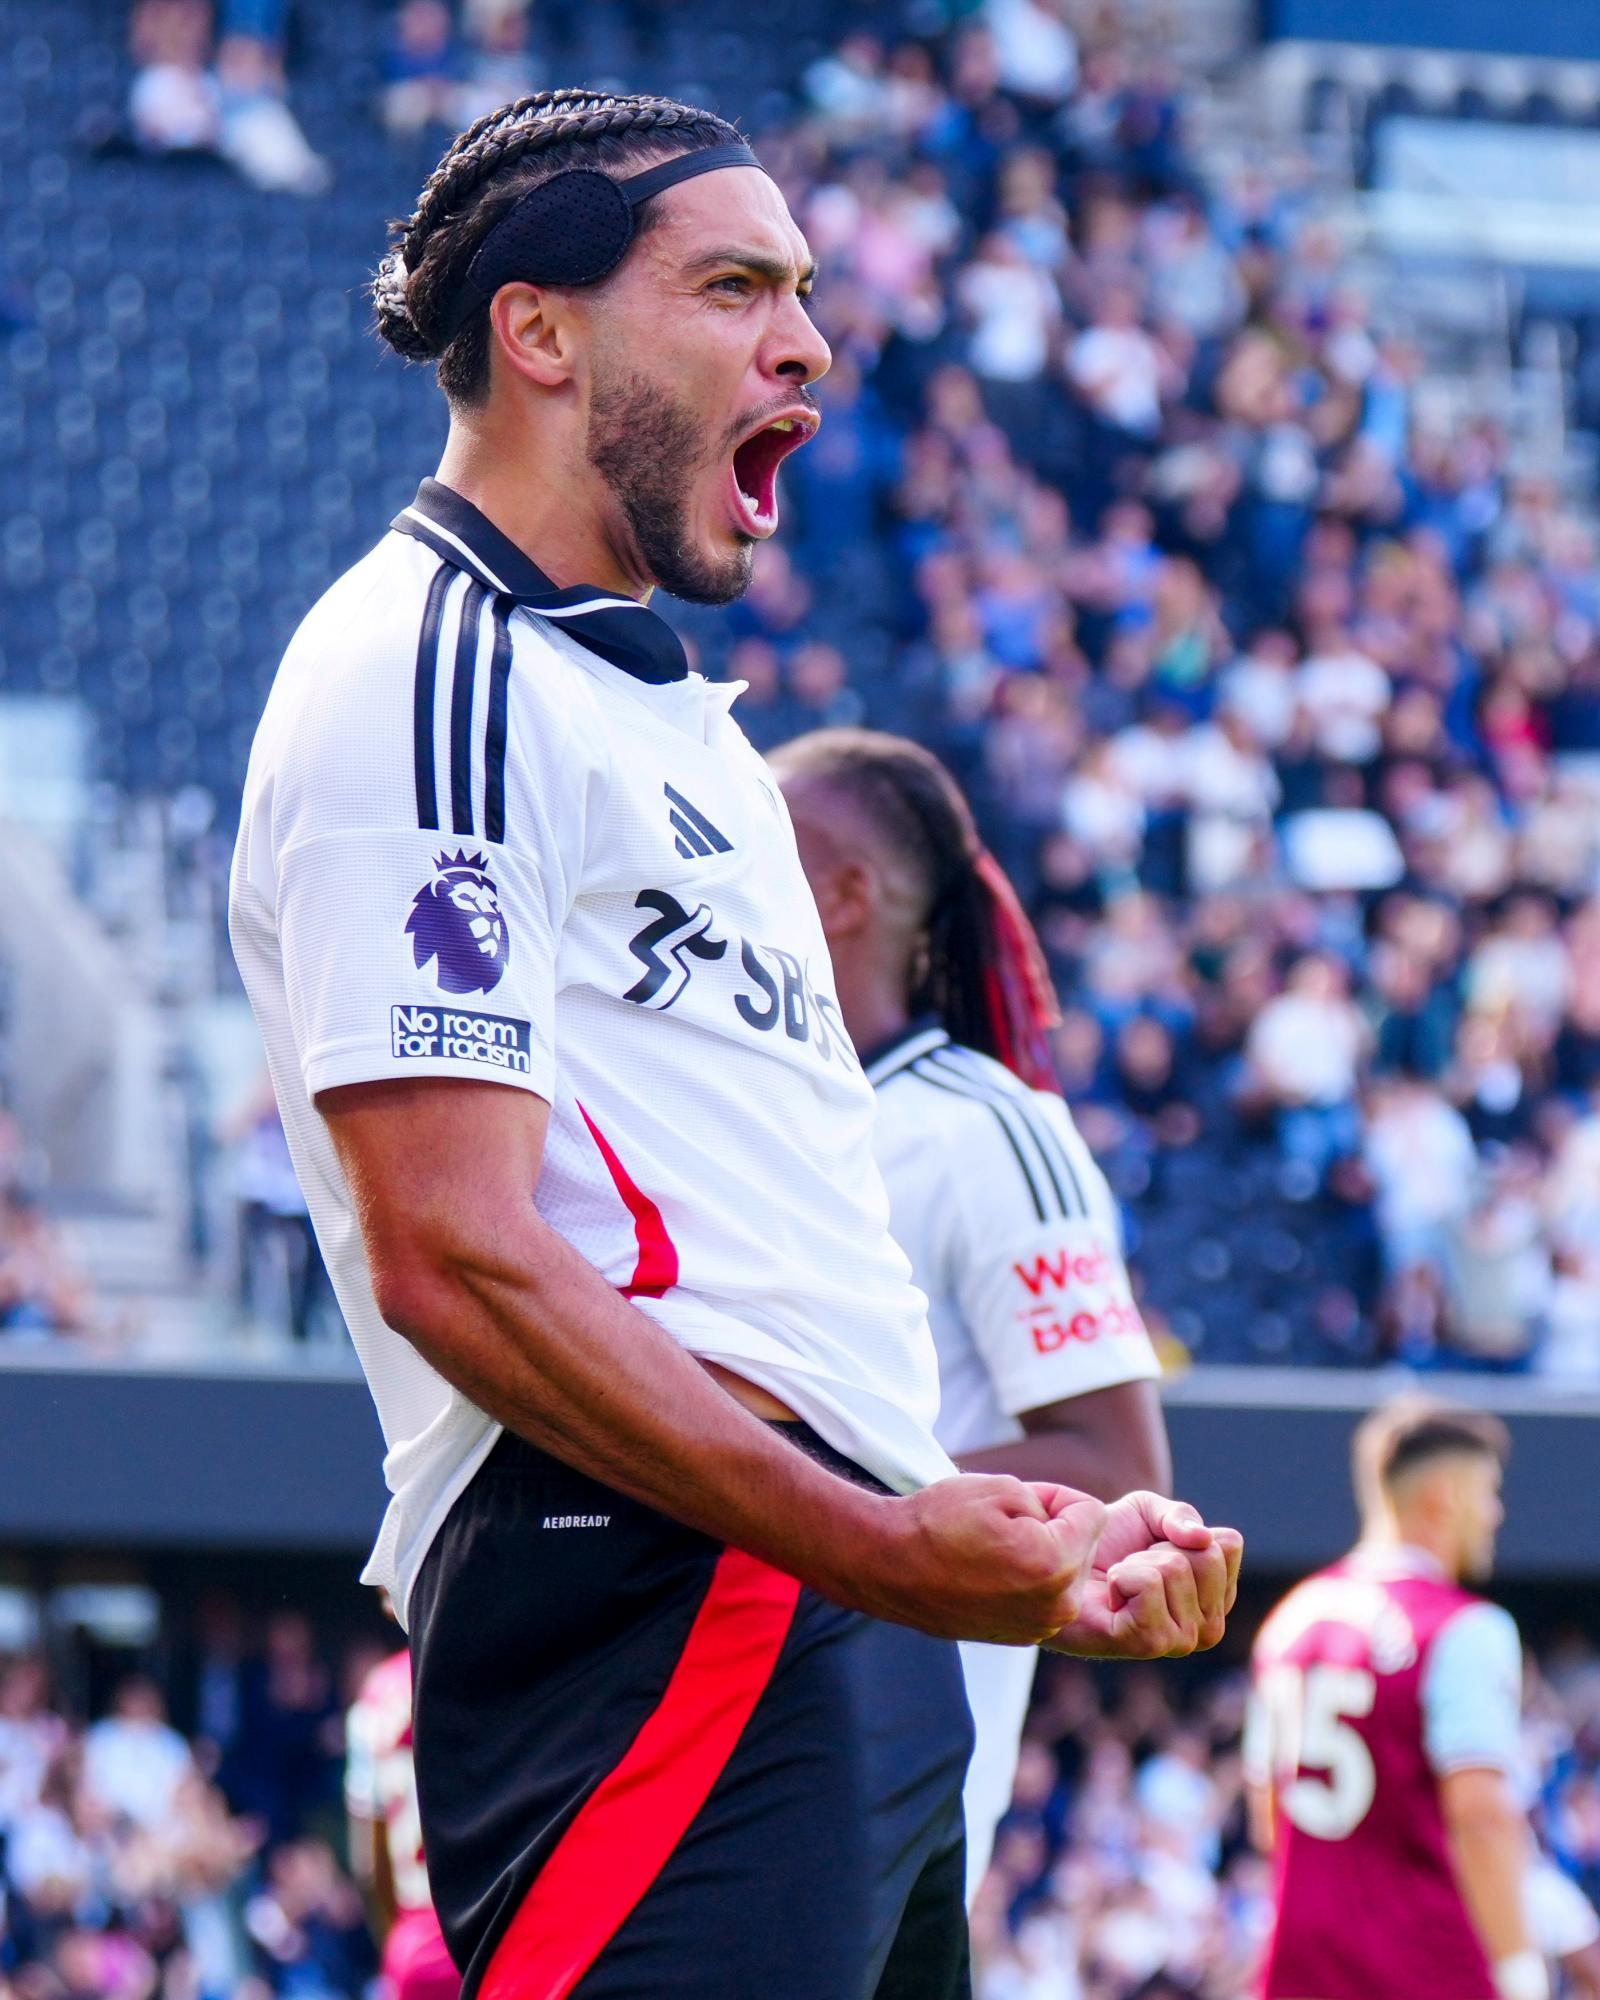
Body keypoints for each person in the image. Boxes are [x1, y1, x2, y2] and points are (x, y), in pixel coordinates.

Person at [229, 89, 1241, 1999]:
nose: (808, 344)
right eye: (734, 288)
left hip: (826, 1610)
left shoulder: (680, 723)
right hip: (659, 1585)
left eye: (804, 292)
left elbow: (775, 1267)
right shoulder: (431, 668)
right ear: (540, 332)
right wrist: (871, 1537)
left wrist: (982, 1520)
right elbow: (453, 1249)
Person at [774, 727, 1171, 1899]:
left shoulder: (984, 1127)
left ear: (844, 894)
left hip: (880, 1771)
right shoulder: (749, 1112)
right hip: (726, 1716)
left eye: (754, 836)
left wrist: (777, 1498)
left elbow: (1114, 1461)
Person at [1244, 1397, 1546, 2000]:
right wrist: (1519, 1970)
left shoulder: (1290, 1619)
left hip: (1299, 1970)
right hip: (1427, 1970)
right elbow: (1480, 1815)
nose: (1496, 1513)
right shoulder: (1462, 1627)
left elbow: (1267, 1815)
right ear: (1445, 1496)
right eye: (1488, 1492)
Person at [347, 1624, 459, 2000]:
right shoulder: (486, 1671)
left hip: (414, 1945)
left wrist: (396, 1937)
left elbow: (368, 1861)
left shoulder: (377, 1693)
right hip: (488, 1939)